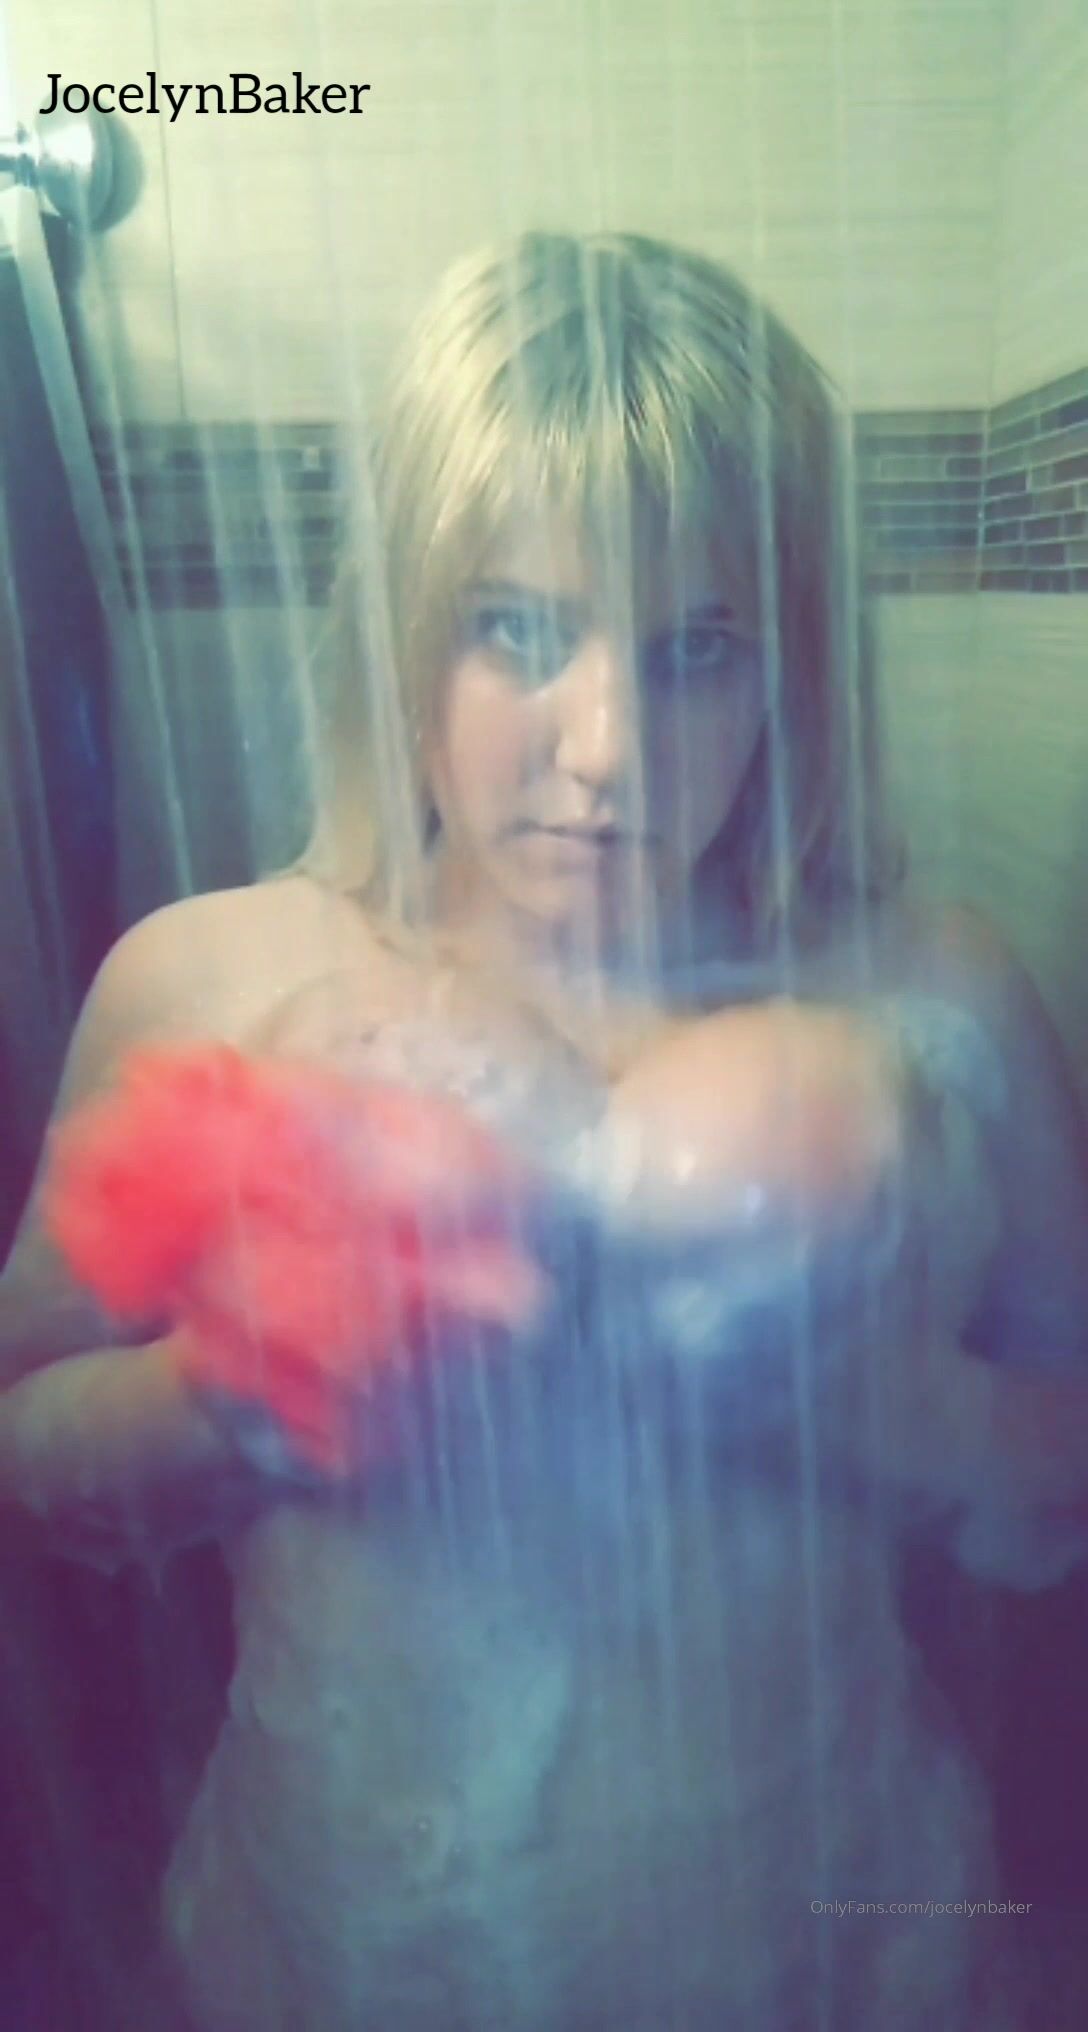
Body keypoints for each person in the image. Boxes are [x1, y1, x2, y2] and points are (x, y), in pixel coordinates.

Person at [2, 230, 1087, 2030]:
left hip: (844, 1938)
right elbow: (23, 1437)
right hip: (347, 1947)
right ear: (402, 629)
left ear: (796, 664)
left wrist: (864, 1400)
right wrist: (244, 1394)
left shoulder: (936, 994)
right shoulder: (209, 983)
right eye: (516, 629)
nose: (606, 750)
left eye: (698, 647)